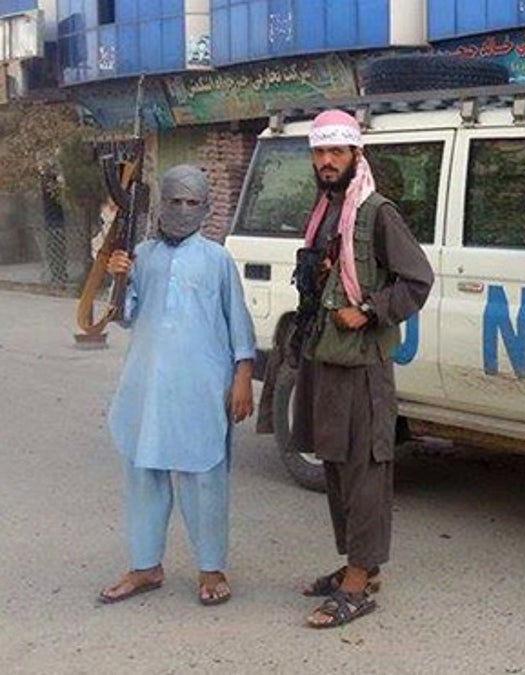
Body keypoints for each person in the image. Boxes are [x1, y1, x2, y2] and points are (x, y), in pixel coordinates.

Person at [291, 110, 434, 628]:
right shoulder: (327, 209)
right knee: (333, 464)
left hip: (362, 365)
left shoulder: (375, 213)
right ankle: (358, 564)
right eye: (319, 153)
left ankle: (359, 580)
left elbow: (416, 280)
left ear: (356, 155)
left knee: (364, 471)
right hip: (325, 356)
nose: (327, 162)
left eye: (336, 152)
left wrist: (371, 308)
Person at [98, 165, 256, 607]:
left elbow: (237, 321)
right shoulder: (141, 254)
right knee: (143, 473)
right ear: (160, 204)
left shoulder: (217, 260)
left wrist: (243, 376)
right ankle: (146, 565)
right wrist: (119, 275)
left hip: (201, 386)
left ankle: (211, 568)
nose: (182, 210)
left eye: (192, 202)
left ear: (205, 208)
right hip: (146, 387)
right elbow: (126, 315)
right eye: (174, 201)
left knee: (203, 477)